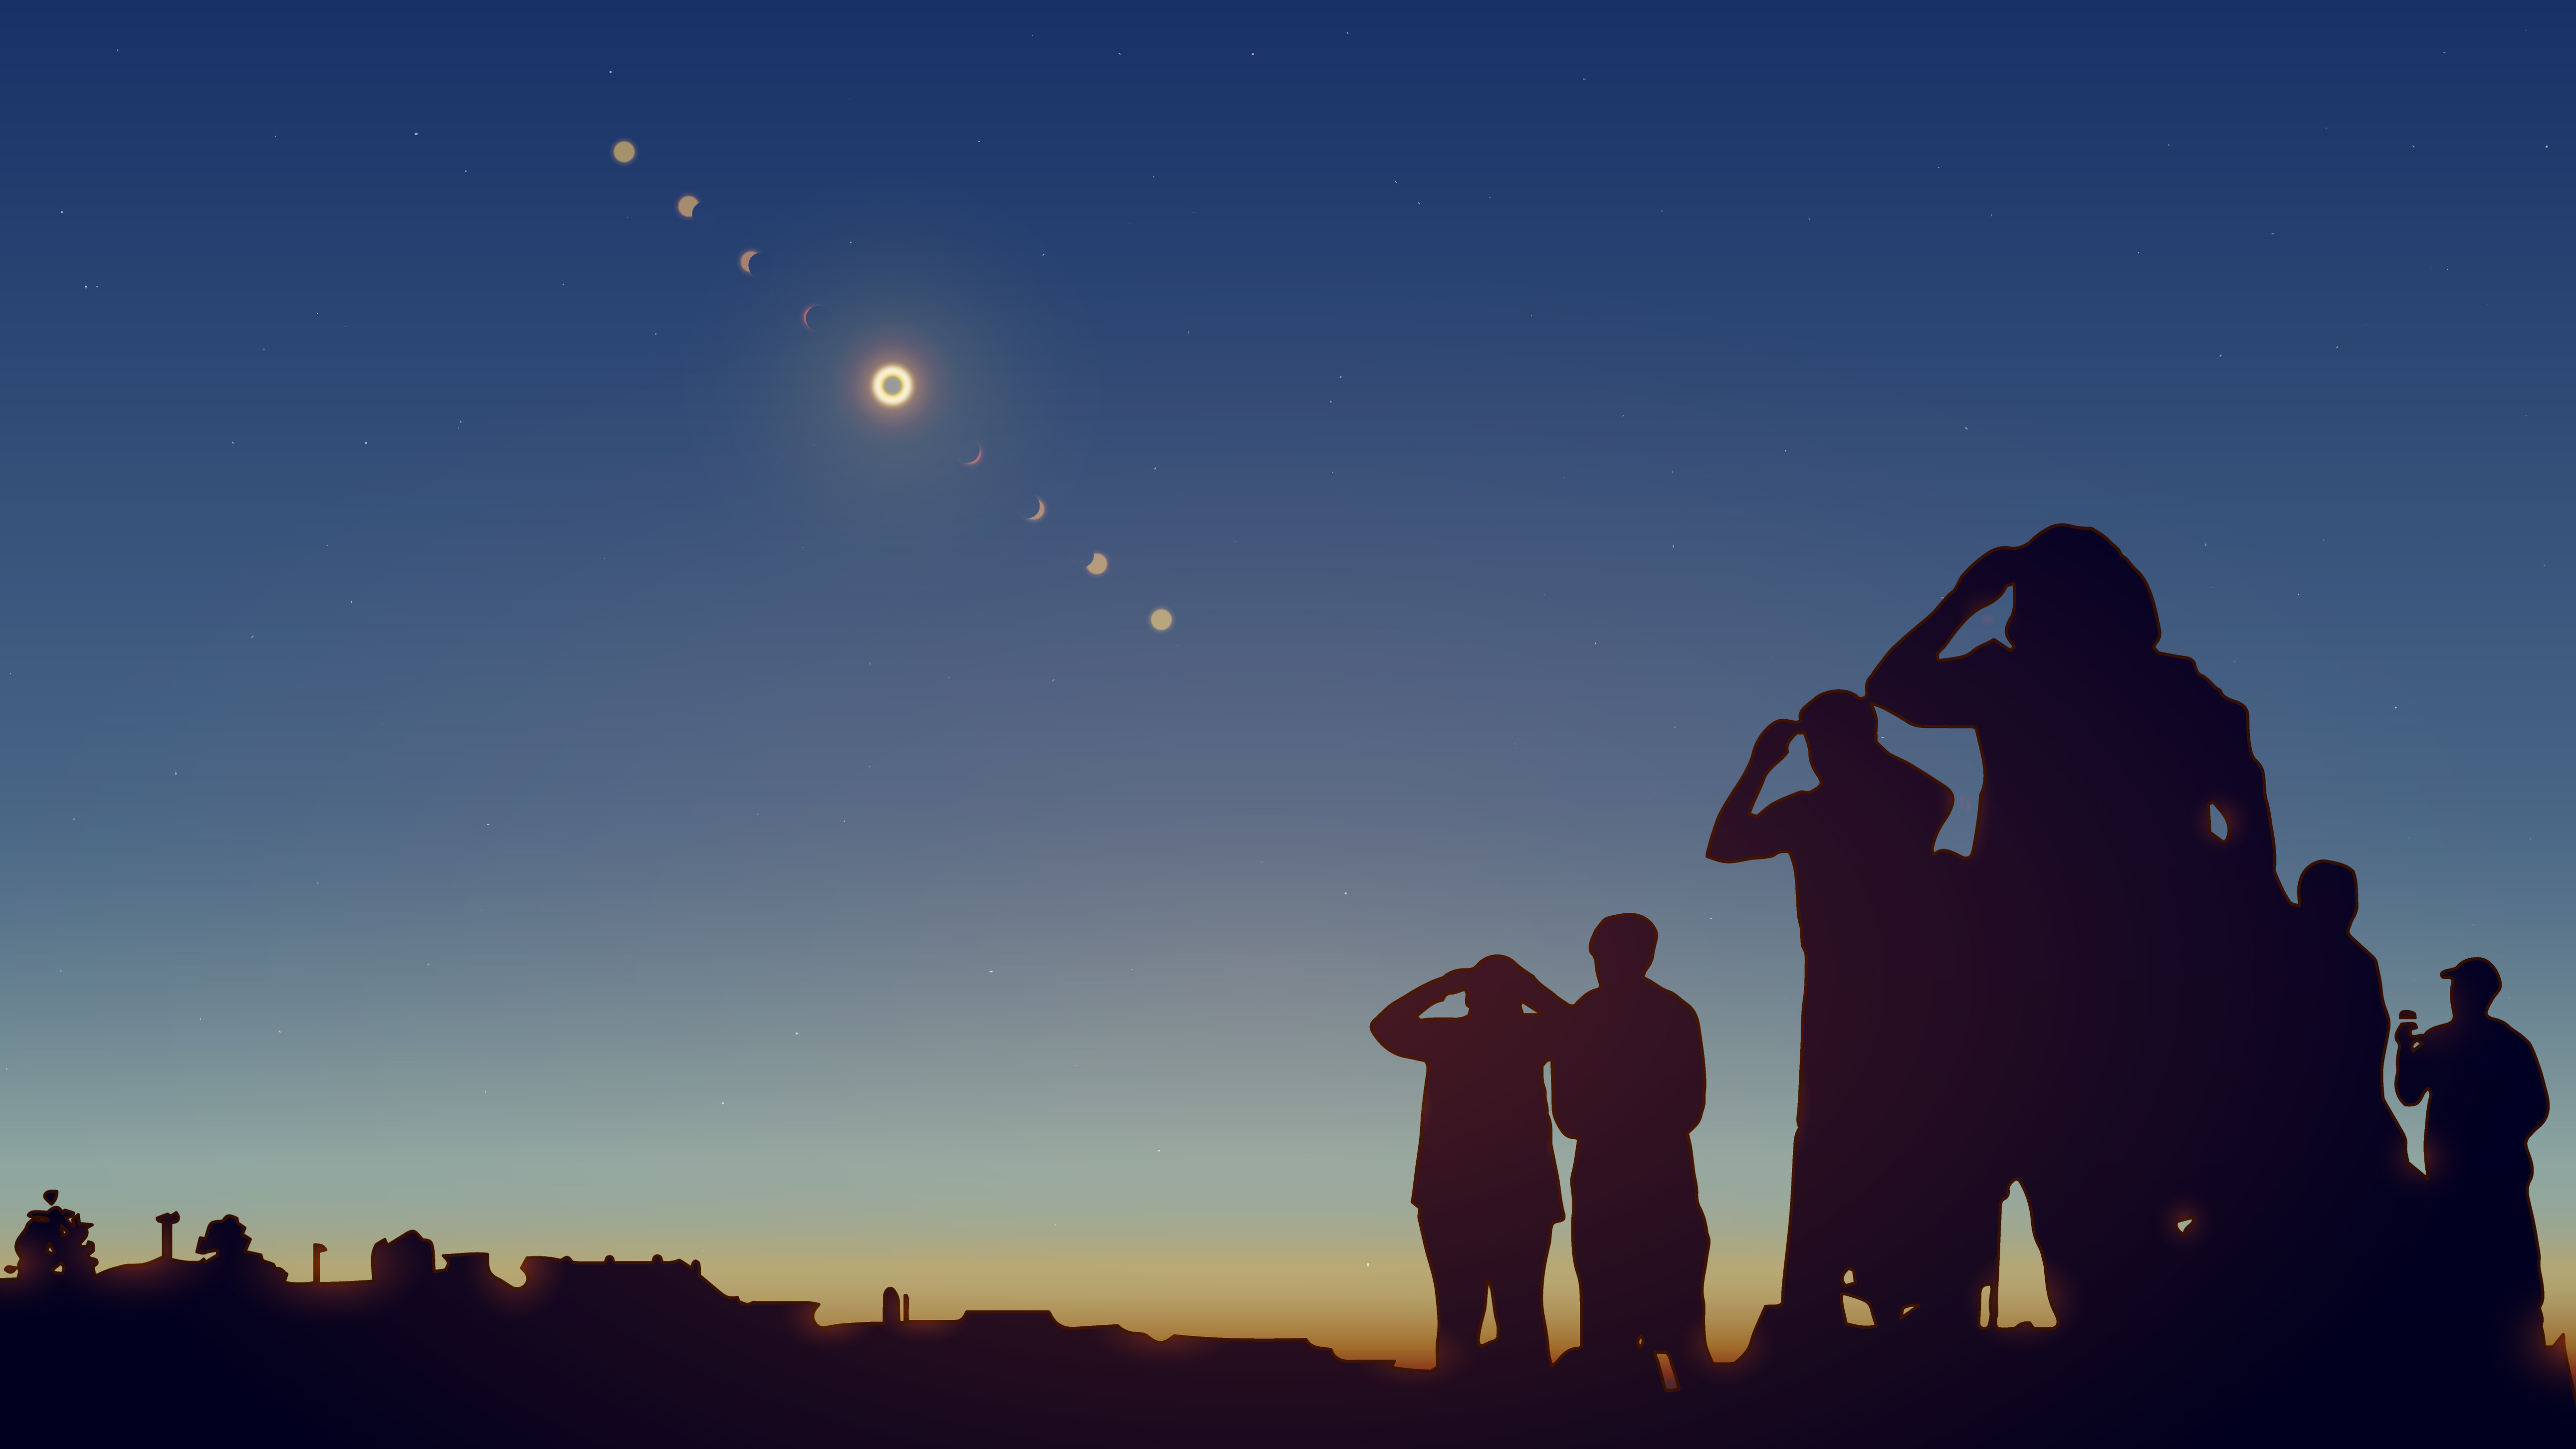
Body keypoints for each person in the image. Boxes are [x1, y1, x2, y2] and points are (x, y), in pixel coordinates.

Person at [1865, 524, 2283, 1333]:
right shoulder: (2192, 698)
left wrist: (1964, 597)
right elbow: (2250, 834)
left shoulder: (2015, 681)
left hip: (2024, 976)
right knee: (2120, 1196)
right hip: (2156, 973)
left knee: (2031, 1177)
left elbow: (1892, 686)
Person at [1709, 691, 1992, 1336]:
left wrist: (1760, 764)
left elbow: (1724, 842)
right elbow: (1935, 792)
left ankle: (1832, 1289)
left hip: (1854, 993)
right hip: (1905, 992)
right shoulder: (1913, 797)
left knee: (1837, 1134)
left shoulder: (1814, 813)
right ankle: (1871, 1284)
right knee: (1882, 1132)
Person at [1371, 955, 1568, 1373]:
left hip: (1459, 1198)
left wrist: (1444, 984)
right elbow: (1577, 1025)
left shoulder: (1451, 1036)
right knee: (1519, 1315)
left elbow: (1386, 1025)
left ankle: (1463, 1410)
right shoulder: (1533, 1033)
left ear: (1467, 998)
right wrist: (1529, 986)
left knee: (1463, 1318)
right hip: (1512, 1198)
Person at [1551, 914, 1714, 1375]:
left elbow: (1690, 1106)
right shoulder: (1664, 1013)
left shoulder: (1670, 1015)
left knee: (1670, 1317)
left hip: (1654, 1186)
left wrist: (1616, 1116)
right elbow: (1568, 1114)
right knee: (1611, 1320)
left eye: (1610, 954)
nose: (1605, 964)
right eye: (1600, 956)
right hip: (1621, 1185)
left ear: (1645, 957)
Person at [2395, 957, 2550, 1359]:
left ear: (2477, 994)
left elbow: (2536, 1107)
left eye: (2459, 986)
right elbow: (2409, 1091)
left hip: (2482, 1186)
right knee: (2485, 1277)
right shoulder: (2507, 1044)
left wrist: (2491, 1137)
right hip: (2477, 1185)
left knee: (2501, 1278)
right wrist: (2403, 1052)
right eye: (2453, 986)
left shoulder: (2475, 1043)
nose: (2454, 993)